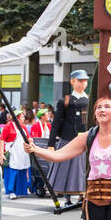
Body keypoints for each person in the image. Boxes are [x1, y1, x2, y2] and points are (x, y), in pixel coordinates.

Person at [46, 72, 91, 207]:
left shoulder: (90, 99)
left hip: (86, 139)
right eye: (79, 81)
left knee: (84, 169)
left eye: (85, 81)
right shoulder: (65, 101)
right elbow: (56, 123)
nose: (83, 83)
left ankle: (83, 196)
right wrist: (51, 144)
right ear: (72, 81)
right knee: (66, 168)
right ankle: (67, 198)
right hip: (68, 140)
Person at [0, 111, 32, 199]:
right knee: (12, 172)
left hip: (22, 152)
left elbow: (29, 138)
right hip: (13, 152)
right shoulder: (8, 126)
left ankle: (20, 190)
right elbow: (2, 140)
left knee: (22, 171)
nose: (24, 118)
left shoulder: (23, 126)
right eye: (22, 117)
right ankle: (11, 191)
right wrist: (1, 154)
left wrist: (31, 143)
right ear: (17, 117)